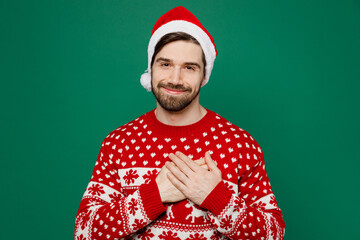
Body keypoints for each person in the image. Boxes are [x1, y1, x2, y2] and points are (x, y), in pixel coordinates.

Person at [75, 6, 285, 240]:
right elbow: (85, 232)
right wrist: (152, 196)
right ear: (151, 68)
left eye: (189, 67)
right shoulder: (118, 143)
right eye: (165, 64)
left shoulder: (240, 145)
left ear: (204, 75)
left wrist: (216, 198)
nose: (175, 79)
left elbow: (274, 234)